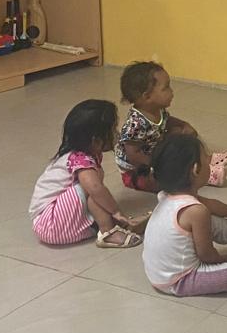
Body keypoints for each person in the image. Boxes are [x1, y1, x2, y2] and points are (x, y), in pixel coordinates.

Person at [142, 133, 227, 297]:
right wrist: (226, 259)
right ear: (196, 169)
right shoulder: (196, 211)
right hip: (179, 280)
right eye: (206, 160)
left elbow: (213, 206)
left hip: (158, 272)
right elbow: (207, 255)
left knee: (209, 219)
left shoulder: (167, 196)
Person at [28, 99, 145, 248]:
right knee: (93, 189)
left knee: (93, 187)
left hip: (55, 224)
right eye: (113, 130)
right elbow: (95, 188)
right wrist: (116, 211)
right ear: (96, 141)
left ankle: (111, 223)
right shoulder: (80, 159)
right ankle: (108, 232)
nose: (116, 134)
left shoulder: (85, 154)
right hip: (50, 223)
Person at [116, 61, 227, 193]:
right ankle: (201, 176)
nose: (172, 91)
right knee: (165, 183)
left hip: (155, 149)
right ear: (147, 97)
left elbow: (167, 121)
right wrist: (160, 165)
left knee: (179, 133)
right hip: (137, 171)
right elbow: (133, 155)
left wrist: (183, 125)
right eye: (166, 88)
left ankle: (204, 160)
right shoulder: (135, 124)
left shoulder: (157, 109)